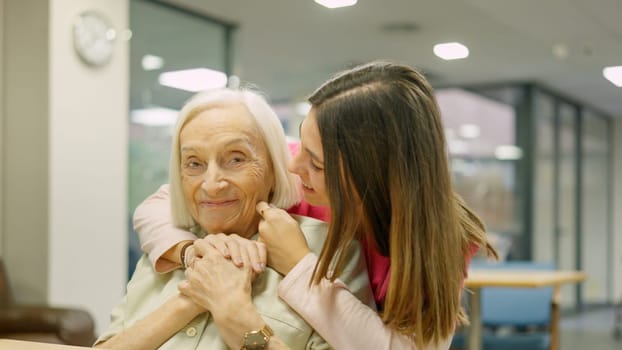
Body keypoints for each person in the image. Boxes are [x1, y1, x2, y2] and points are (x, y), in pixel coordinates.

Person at [135, 61, 497, 349]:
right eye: (300, 147)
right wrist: (190, 251)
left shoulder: (443, 242)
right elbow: (160, 203)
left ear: (373, 176)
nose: (293, 167)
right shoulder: (299, 175)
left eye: (316, 162)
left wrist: (297, 264)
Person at [95, 88, 372, 350]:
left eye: (236, 159)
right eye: (194, 163)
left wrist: (233, 311)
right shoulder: (168, 246)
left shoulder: (331, 253)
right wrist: (189, 299)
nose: (212, 184)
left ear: (274, 169)